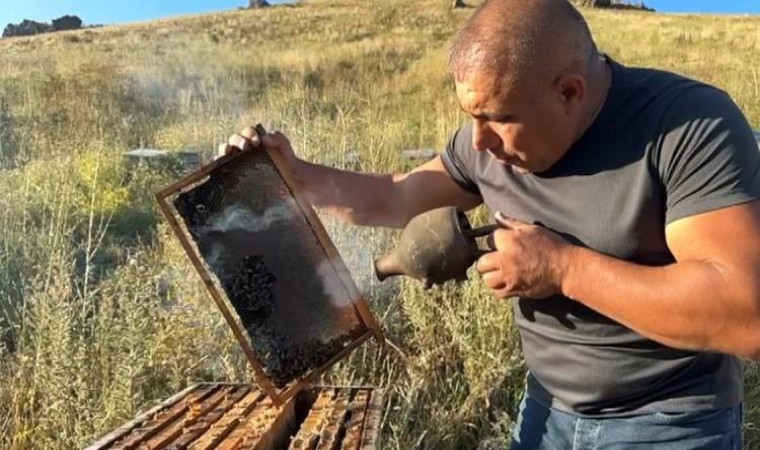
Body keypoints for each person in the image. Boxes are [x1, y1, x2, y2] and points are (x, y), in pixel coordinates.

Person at [220, 0, 760, 447]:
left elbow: (745, 313)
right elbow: (396, 196)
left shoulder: (690, 126)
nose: (478, 142)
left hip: (670, 424)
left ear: (569, 92)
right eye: (469, 117)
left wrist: (563, 268)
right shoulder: (486, 143)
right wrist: (295, 176)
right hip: (546, 411)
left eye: (497, 119)